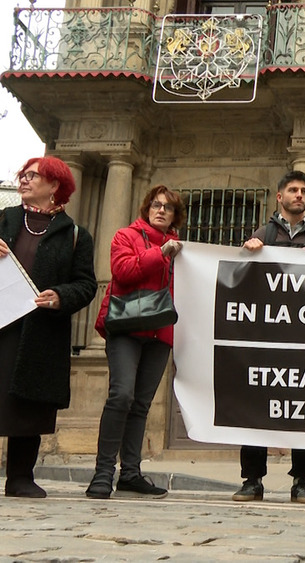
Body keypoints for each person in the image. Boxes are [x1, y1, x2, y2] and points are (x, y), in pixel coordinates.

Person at [232, 170, 305, 504]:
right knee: (255, 405)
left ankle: (302, 481)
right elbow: (241, 280)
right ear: (280, 197)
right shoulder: (263, 233)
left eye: (304, 190)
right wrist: (248, 252)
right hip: (266, 336)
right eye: (293, 190)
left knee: (304, 409)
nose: (299, 195)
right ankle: (252, 479)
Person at [0, 156, 97, 498]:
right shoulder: (4, 218)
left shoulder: (75, 235)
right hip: (1, 323)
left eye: (32, 176)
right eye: (23, 176)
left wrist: (60, 295)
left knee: (27, 405)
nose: (23, 181)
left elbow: (86, 285)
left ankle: (20, 478)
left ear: (55, 186)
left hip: (40, 332)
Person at [87, 185, 185, 499]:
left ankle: (130, 473)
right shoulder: (125, 236)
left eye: (167, 207)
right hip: (126, 328)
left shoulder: (181, 247)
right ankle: (103, 474)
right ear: (146, 208)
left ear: (174, 215)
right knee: (121, 395)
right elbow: (123, 271)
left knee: (141, 404)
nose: (161, 211)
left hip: (160, 333)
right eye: (156, 205)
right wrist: (161, 253)